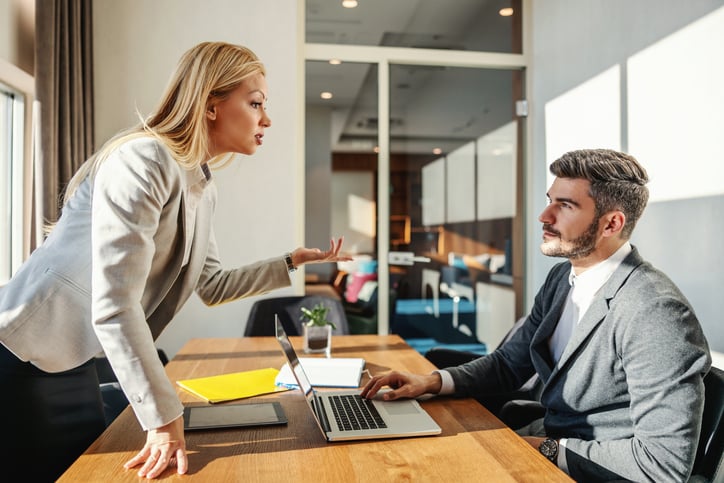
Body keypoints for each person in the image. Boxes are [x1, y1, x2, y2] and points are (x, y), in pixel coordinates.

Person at [0, 41, 350, 481]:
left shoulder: (200, 184)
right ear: (210, 105)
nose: (267, 119)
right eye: (256, 103)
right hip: (20, 356)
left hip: (75, 357)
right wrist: (165, 421)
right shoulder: (142, 160)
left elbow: (212, 285)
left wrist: (290, 262)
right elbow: (114, 306)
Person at [362, 149, 711, 482]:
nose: (545, 216)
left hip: (585, 468)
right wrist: (433, 381)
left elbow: (662, 465)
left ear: (611, 224)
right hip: (543, 442)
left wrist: (543, 449)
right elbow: (509, 364)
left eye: (565, 205)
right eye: (550, 200)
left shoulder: (655, 311)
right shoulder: (563, 278)